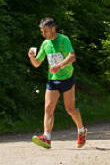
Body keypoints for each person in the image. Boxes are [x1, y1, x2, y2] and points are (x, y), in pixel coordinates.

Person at [28, 17, 87, 149]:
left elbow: (72, 56)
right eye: (42, 32)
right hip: (53, 80)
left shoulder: (64, 40)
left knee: (70, 109)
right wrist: (32, 57)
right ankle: (47, 137)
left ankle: (81, 130)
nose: (44, 34)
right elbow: (37, 64)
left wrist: (59, 66)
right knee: (48, 107)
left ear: (53, 28)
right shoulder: (45, 44)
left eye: (46, 31)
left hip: (67, 78)